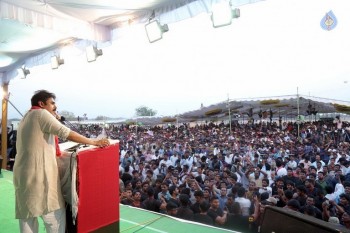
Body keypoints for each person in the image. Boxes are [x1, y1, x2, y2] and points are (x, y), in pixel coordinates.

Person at [13, 90, 110, 233]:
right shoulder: (41, 114)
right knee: (54, 217)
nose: (55, 107)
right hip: (41, 176)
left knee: (28, 218)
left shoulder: (27, 116)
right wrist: (93, 142)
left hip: (23, 175)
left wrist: (54, 117)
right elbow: (66, 133)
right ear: (41, 104)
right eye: (52, 103)